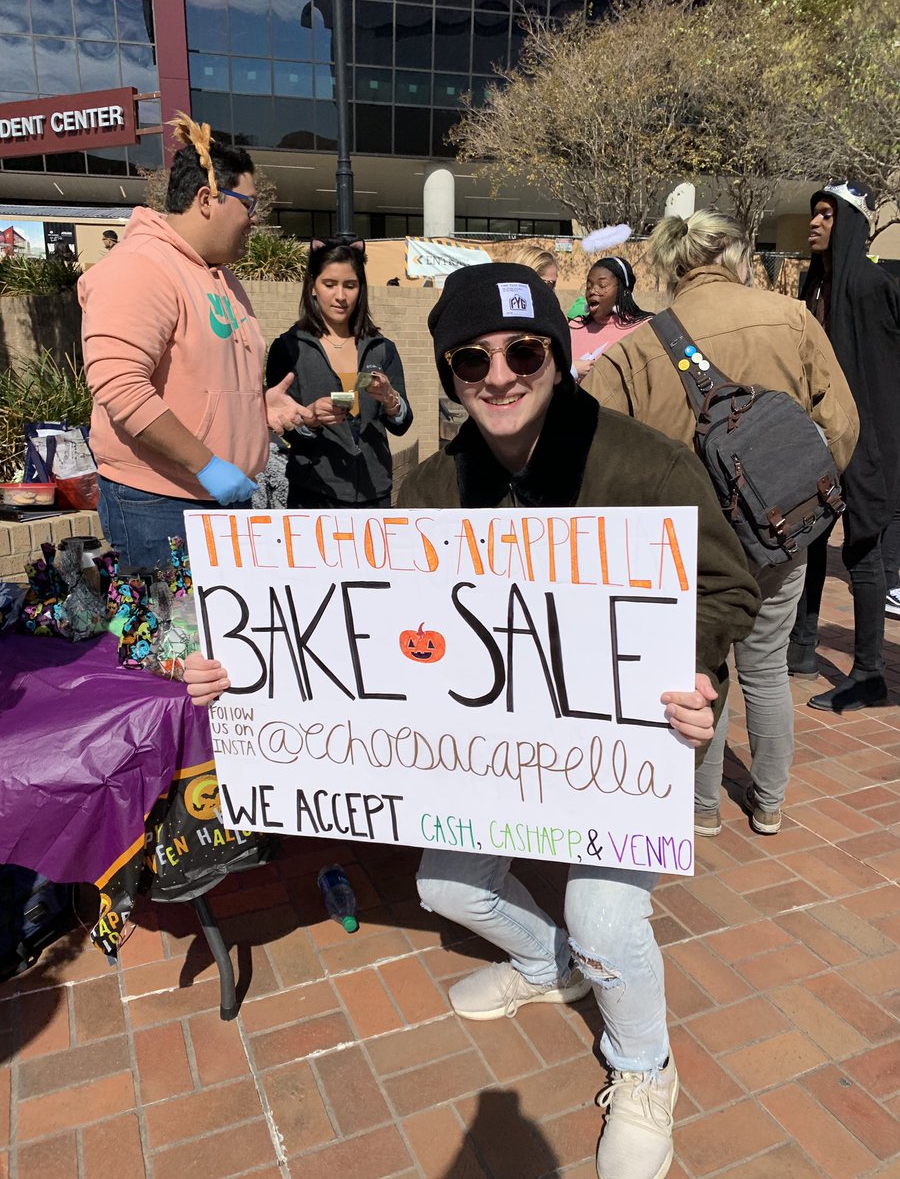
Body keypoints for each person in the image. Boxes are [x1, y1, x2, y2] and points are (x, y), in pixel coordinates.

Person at [185, 262, 760, 1179]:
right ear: (448, 373)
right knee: (449, 887)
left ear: (557, 355)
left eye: (523, 351)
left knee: (605, 912)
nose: (499, 375)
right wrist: (245, 671)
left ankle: (643, 1067)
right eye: (470, 359)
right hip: (489, 756)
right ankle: (546, 966)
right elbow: (363, 623)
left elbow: (730, 584)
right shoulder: (429, 489)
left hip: (629, 745)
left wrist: (695, 663)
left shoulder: (646, 464)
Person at [584, 211, 858, 836]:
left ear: (674, 267)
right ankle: (769, 800)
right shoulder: (791, 319)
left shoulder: (635, 349)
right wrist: (797, 500)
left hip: (686, 542)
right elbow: (842, 426)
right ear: (735, 257)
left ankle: (700, 808)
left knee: (699, 667)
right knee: (765, 664)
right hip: (780, 533)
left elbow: (590, 447)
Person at [79, 114, 304, 572]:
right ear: (208, 199)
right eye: (249, 204)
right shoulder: (140, 267)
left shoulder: (221, 276)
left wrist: (256, 410)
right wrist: (206, 465)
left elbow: (199, 384)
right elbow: (120, 387)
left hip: (220, 500)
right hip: (160, 505)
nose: (255, 219)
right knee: (173, 642)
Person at [787, 182, 900, 710]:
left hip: (870, 439)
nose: (814, 223)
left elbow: (879, 376)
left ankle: (871, 674)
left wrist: (872, 451)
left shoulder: (871, 286)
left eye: (827, 215)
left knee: (863, 552)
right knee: (810, 539)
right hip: (820, 437)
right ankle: (802, 647)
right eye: (815, 214)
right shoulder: (815, 287)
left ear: (848, 224)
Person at [265, 237, 413, 509]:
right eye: (329, 284)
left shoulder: (381, 348)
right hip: (314, 494)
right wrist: (309, 420)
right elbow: (283, 428)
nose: (341, 296)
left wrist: (391, 401)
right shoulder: (288, 349)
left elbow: (402, 424)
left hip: (375, 494)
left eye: (350, 285)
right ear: (312, 287)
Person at [570, 256, 652, 381]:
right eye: (588, 286)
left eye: (602, 285)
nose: (592, 291)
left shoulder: (644, 327)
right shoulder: (574, 327)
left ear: (623, 290)